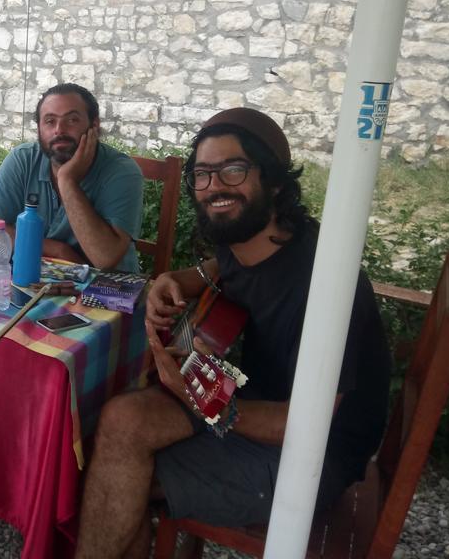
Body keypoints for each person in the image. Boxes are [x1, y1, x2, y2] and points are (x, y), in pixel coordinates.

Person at [75, 108, 390, 559]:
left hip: (308, 459)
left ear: (276, 182)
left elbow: (302, 429)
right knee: (120, 421)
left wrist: (198, 397)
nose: (214, 186)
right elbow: (217, 270)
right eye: (202, 175)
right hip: (247, 398)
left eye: (233, 170)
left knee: (117, 471)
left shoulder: (324, 286)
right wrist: (171, 280)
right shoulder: (252, 238)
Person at [0, 83, 144, 272]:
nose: (59, 130)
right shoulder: (23, 159)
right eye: (49, 121)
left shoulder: (121, 171)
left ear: (94, 126)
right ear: (39, 128)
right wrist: (58, 250)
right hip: (38, 281)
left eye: (72, 120)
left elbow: (105, 259)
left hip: (108, 292)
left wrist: (67, 181)